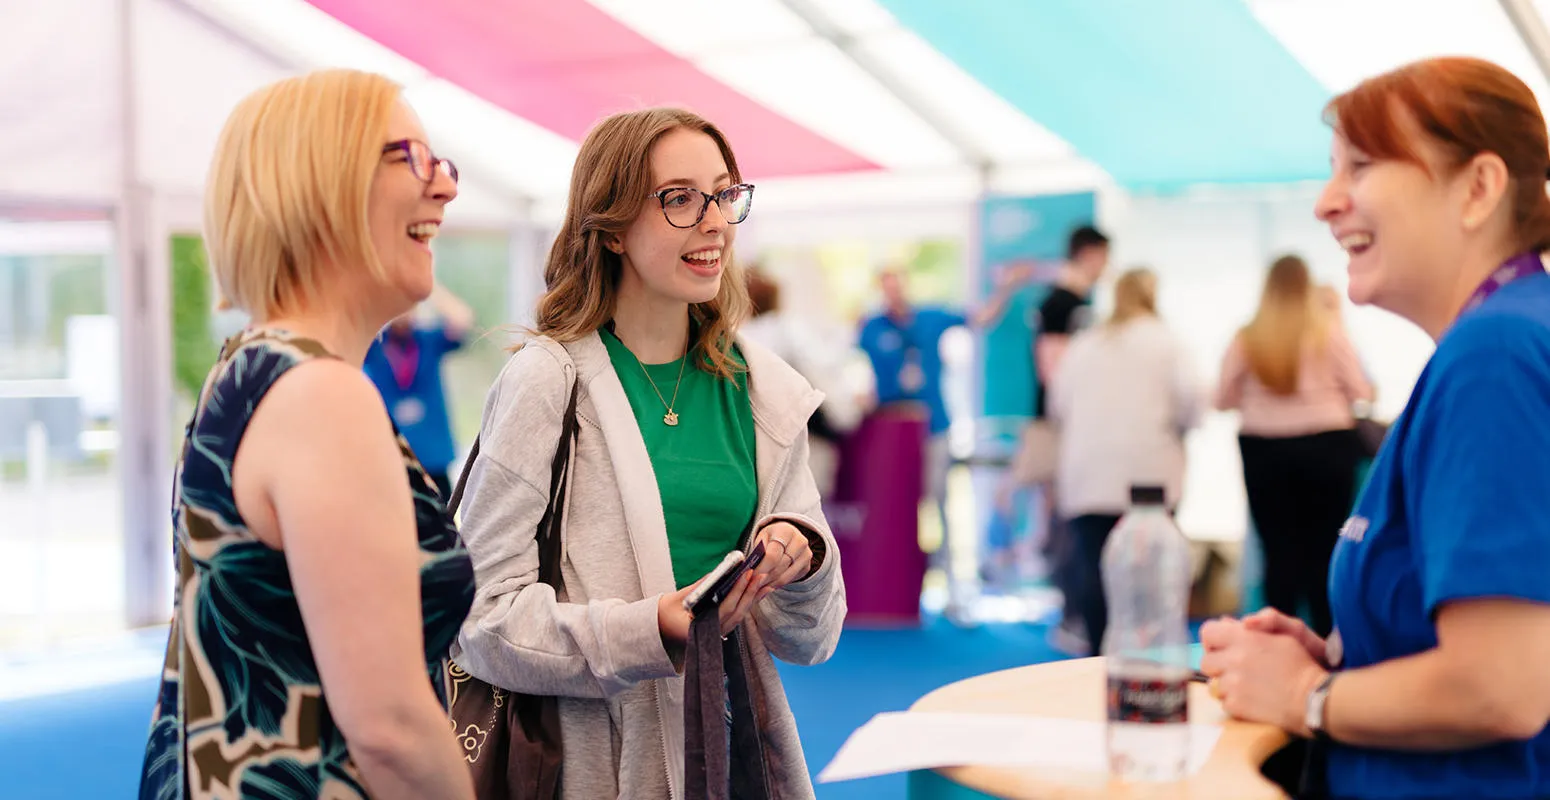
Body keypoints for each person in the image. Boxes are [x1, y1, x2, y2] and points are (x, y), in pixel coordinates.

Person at [451, 107, 846, 799]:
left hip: (731, 752)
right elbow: (480, 621)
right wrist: (650, 631)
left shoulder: (763, 389)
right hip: (585, 768)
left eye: (724, 194)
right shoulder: (549, 380)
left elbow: (811, 638)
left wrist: (803, 554)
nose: (715, 221)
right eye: (679, 199)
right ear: (610, 229)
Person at [1201, 56, 1550, 800]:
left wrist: (1305, 699)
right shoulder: (1495, 339)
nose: (1327, 203)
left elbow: (1504, 688)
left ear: (1478, 189)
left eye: (1359, 168)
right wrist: (1340, 658)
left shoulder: (1495, 355)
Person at [137, 70, 475, 799]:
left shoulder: (252, 367)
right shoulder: (322, 395)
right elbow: (389, 729)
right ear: (319, 185)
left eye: (441, 161)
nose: (445, 187)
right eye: (411, 157)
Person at [1214, 254, 1373, 638]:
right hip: (1327, 446)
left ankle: (1274, 642)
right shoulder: (1326, 332)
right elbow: (1362, 389)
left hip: (1264, 450)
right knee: (1326, 552)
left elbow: (1221, 398)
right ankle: (1330, 645)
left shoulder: (1247, 336)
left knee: (1278, 553)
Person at [1048, 268, 1203, 655]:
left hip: (1089, 476)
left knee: (1095, 575)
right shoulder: (1168, 342)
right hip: (1149, 475)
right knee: (1151, 580)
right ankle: (1149, 667)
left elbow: (1058, 404)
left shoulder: (1085, 343)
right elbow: (1194, 405)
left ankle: (1097, 663)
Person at [1025, 224, 1110, 653]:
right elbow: (1051, 369)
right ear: (1089, 254)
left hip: (1070, 428)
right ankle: (1071, 614)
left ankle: (1073, 613)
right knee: (1064, 525)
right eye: (1103, 257)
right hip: (1059, 429)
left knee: (1068, 523)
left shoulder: (1075, 302)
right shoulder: (1062, 303)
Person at [363, 284, 476, 500]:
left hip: (432, 458)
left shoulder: (428, 339)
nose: (405, 311)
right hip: (391, 460)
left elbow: (463, 319)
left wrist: (426, 287)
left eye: (410, 305)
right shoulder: (375, 344)